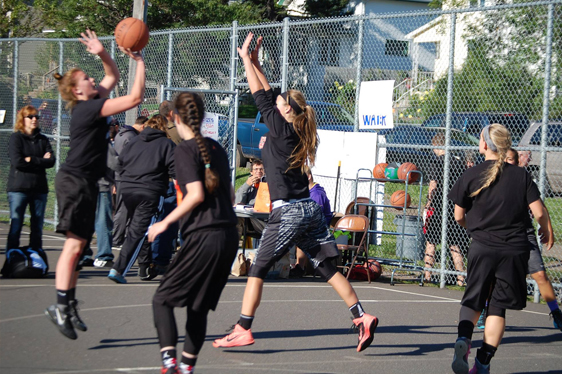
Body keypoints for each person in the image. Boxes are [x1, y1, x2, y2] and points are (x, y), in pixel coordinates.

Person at [212, 33, 378, 352]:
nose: (274, 101)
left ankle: (242, 328)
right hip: (308, 210)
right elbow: (268, 91)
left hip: (288, 211)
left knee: (258, 268)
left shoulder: (281, 127)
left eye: (280, 102)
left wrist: (246, 61)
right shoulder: (295, 131)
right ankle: (361, 317)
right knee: (327, 268)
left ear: (287, 110)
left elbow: (259, 94)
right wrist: (258, 63)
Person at [44, 29, 145, 340]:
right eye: (87, 78)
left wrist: (102, 52)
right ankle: (60, 306)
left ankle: (69, 303)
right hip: (74, 181)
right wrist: (139, 60)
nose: (93, 80)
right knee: (73, 246)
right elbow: (135, 98)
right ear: (77, 91)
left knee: (80, 247)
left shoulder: (92, 100)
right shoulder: (88, 109)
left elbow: (112, 74)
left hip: (86, 181)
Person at [448, 124, 553, 374]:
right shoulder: (521, 175)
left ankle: (464, 339)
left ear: (484, 144)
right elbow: (539, 212)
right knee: (497, 306)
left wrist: (472, 227)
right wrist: (547, 229)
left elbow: (458, 215)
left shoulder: (471, 174)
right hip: (515, 249)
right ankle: (483, 362)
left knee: (473, 300)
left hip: (483, 246)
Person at [147, 92, 238, 374]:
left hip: (205, 236)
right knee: (196, 307)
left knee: (162, 300)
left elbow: (196, 194)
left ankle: (169, 364)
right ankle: (186, 367)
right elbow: (232, 197)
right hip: (227, 237)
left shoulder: (185, 150)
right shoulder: (217, 149)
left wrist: (163, 224)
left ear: (173, 116)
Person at [476, 148, 562, 331]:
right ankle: (485, 311)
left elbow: (540, 208)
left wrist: (549, 230)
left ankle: (556, 312)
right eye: (504, 159)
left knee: (539, 274)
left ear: (517, 162)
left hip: (523, 234)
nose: (507, 162)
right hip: (497, 235)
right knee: (491, 278)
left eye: (511, 160)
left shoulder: (523, 179)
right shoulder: (493, 179)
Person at [108, 114, 175, 283]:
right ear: (164, 128)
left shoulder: (135, 141)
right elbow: (175, 171)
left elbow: (120, 162)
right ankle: (119, 269)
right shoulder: (167, 144)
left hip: (128, 189)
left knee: (142, 227)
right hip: (150, 191)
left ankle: (145, 267)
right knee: (137, 231)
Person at [7, 105, 55, 252]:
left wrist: (31, 160)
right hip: (19, 189)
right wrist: (40, 160)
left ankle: (35, 256)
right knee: (16, 225)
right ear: (23, 119)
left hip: (39, 189)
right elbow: (18, 162)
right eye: (31, 117)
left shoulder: (43, 139)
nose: (34, 119)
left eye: (36, 117)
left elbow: (51, 161)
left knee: (37, 226)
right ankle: (12, 256)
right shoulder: (16, 138)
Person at [424, 133, 470, 286]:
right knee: (454, 244)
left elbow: (433, 185)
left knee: (431, 241)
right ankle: (460, 278)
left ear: (437, 146)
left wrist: (428, 202)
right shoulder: (457, 162)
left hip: (439, 205)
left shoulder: (437, 162)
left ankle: (427, 274)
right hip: (454, 205)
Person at [112, 115, 148, 249]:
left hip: (119, 175)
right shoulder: (132, 137)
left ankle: (118, 237)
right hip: (125, 176)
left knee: (122, 207)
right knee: (124, 209)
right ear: (143, 126)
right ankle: (117, 238)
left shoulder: (121, 134)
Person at [291, 165, 333, 277]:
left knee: (300, 234)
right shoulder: (307, 192)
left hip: (320, 228)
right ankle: (290, 265)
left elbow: (314, 216)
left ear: (308, 177)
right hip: (311, 224)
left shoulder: (316, 194)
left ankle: (300, 267)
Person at [235, 159, 267, 239]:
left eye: (261, 169)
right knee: (236, 218)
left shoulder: (268, 185)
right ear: (251, 172)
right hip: (249, 221)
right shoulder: (247, 186)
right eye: (256, 169)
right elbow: (237, 202)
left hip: (264, 221)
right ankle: (233, 248)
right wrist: (246, 185)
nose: (258, 171)